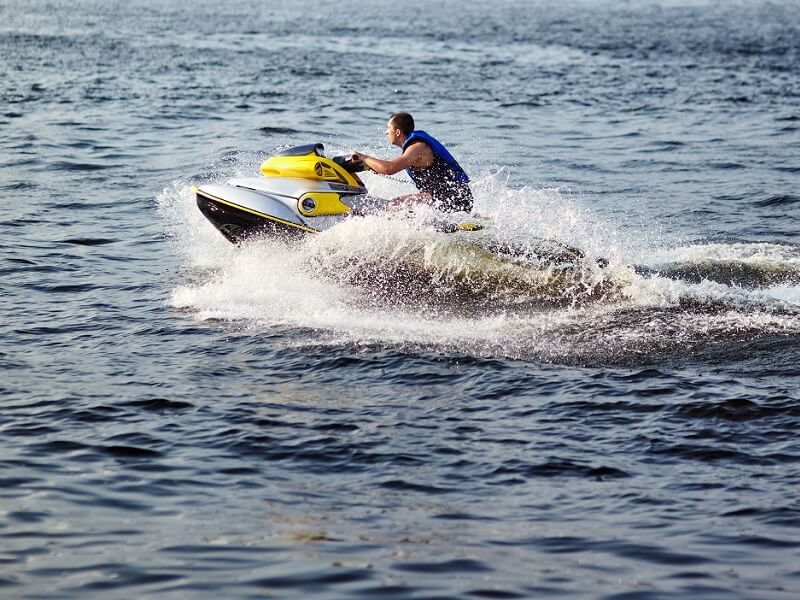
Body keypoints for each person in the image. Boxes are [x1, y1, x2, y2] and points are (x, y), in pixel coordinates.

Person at [350, 113, 473, 213]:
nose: (386, 132)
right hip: (442, 197)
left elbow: (389, 168)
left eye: (388, 128)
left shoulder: (417, 147)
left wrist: (364, 157)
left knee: (396, 204)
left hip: (455, 198)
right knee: (404, 204)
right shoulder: (411, 148)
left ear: (397, 132)